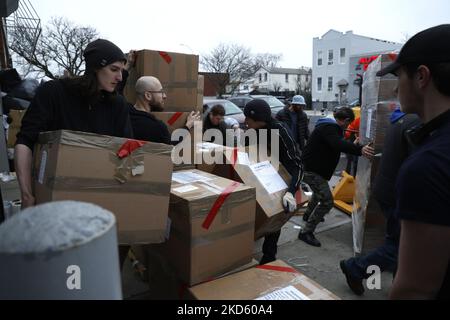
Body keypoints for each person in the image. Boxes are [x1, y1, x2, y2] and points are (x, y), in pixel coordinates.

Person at [375, 24, 450, 300]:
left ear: (421, 76)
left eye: (399, 75)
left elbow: (415, 290)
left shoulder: (429, 166)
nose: (395, 88)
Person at [15, 39, 133, 209]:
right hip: (51, 200)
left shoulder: (118, 104)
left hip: (99, 198)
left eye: (122, 71)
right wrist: (26, 194)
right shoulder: (54, 92)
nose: (120, 77)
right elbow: (25, 141)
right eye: (114, 69)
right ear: (95, 68)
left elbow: (127, 148)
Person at [340, 110, 421, 295]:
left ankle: (398, 283)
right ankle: (356, 268)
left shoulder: (401, 119)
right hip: (398, 194)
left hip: (388, 190)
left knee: (397, 242)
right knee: (400, 245)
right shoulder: (417, 122)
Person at [298, 107, 374, 247]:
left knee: (318, 193)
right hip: (312, 170)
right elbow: (337, 143)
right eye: (348, 124)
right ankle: (306, 232)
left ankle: (308, 215)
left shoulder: (327, 126)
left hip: (315, 169)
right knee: (327, 202)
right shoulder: (329, 127)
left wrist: (352, 145)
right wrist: (360, 149)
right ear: (345, 120)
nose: (348, 127)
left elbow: (336, 143)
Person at [243, 99, 303, 265]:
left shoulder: (280, 132)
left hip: (278, 179)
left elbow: (298, 165)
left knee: (275, 214)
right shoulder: (252, 131)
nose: (245, 121)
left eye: (247, 118)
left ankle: (269, 256)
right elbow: (244, 152)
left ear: (257, 119)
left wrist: (291, 192)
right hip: (258, 176)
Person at [129, 76, 200, 145]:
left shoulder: (124, 115)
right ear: (148, 95)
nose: (164, 96)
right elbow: (171, 144)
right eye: (160, 92)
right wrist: (188, 126)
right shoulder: (156, 127)